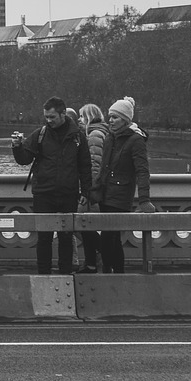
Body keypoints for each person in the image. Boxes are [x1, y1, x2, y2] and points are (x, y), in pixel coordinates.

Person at [12, 96, 91, 274]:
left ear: (63, 114)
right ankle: (43, 273)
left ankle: (65, 272)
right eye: (46, 117)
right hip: (43, 193)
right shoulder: (40, 134)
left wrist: (86, 191)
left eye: (52, 117)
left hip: (68, 193)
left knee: (66, 237)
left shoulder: (77, 136)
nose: (48, 121)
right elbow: (24, 159)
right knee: (44, 237)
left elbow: (85, 166)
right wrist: (17, 147)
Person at [92, 96, 156, 274]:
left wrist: (144, 199)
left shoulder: (135, 140)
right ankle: (115, 272)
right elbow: (104, 168)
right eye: (110, 116)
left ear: (126, 120)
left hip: (120, 197)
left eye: (115, 117)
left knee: (108, 237)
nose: (110, 120)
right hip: (105, 195)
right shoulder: (110, 137)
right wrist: (94, 190)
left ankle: (111, 272)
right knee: (111, 239)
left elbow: (142, 171)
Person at [75, 103, 110, 274]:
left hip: (92, 191)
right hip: (97, 190)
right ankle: (92, 263)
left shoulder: (94, 134)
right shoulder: (100, 132)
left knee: (80, 223)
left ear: (89, 116)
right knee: (87, 226)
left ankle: (101, 256)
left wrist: (88, 191)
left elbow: (95, 165)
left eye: (81, 116)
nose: (79, 120)